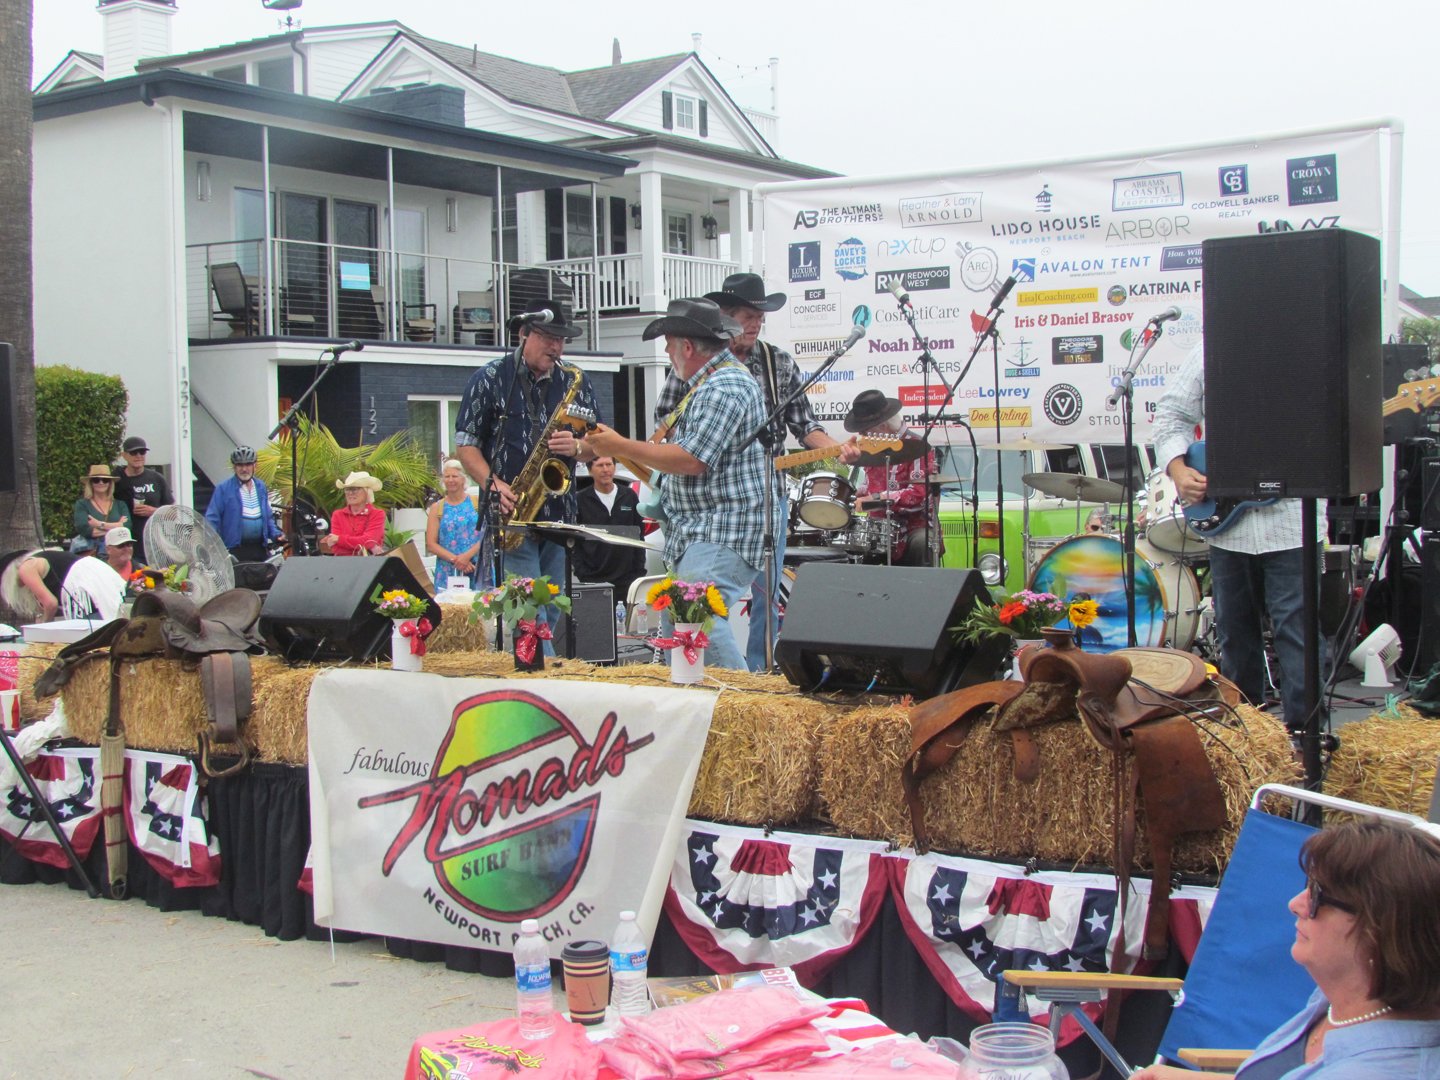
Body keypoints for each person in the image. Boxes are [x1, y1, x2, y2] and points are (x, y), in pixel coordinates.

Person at [1131, 819, 1440, 1078]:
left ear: (1378, 929)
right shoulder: (1339, 1002)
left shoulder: (1390, 1069)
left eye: (1318, 895)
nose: (1295, 905)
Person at [655, 273, 848, 671]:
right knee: (696, 601)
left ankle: (760, 677)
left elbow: (805, 426)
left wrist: (838, 450)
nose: (756, 323)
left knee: (766, 595)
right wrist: (712, 432)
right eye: (748, 315)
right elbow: (666, 424)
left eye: (760, 316)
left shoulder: (778, 363)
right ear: (725, 318)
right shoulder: (698, 367)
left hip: (764, 495)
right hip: (706, 499)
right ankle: (716, 679)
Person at [583, 298, 770, 672]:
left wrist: (618, 445)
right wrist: (603, 447)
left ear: (687, 346)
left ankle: (741, 706)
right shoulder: (706, 385)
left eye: (668, 344)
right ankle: (700, 705)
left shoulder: (726, 386)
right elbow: (678, 458)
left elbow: (691, 459)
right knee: (678, 618)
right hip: (704, 529)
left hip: (724, 529)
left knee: (695, 616)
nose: (666, 353)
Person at [1153, 341, 1320, 731]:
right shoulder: (1210, 349)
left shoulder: (1309, 346)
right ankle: (1246, 734)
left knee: (1298, 635)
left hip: (1293, 522)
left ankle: (1307, 739)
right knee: (1234, 634)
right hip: (1230, 528)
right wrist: (1178, 469)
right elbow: (1171, 415)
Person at [453, 299, 600, 650]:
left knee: (548, 610)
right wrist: (493, 482)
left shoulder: (574, 381)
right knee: (527, 610)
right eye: (549, 337)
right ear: (523, 334)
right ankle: (543, 679)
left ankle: (536, 671)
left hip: (558, 514)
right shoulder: (489, 378)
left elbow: (600, 442)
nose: (557, 347)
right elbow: (466, 445)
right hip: (511, 512)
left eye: (562, 340)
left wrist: (579, 448)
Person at [845, 389, 939, 566]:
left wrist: (876, 498)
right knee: (849, 545)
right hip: (879, 526)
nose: (862, 436)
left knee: (922, 542)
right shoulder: (873, 448)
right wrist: (850, 495)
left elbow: (918, 495)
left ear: (883, 427)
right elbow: (869, 485)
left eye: (865, 431)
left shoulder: (918, 447)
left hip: (914, 527)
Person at [574, 456, 646, 603]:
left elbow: (639, 535)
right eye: (600, 465)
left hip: (627, 578)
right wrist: (582, 571)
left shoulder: (629, 496)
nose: (605, 469)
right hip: (594, 579)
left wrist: (638, 571)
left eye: (609, 464)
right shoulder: (580, 500)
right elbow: (575, 540)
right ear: (590, 470)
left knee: (626, 625)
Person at [0, 548, 127, 623]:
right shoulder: (37, 560)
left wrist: (44, 628)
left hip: (83, 583)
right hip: (96, 575)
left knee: (92, 630)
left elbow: (51, 604)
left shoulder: (25, 568)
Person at [204, 445, 281, 563]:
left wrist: (276, 534)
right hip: (235, 551)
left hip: (259, 549)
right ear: (234, 467)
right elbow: (212, 518)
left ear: (255, 465)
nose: (244, 469)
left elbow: (267, 517)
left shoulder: (261, 487)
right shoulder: (223, 489)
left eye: (248, 464)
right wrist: (210, 542)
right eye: (240, 465)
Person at [426, 459, 487, 590]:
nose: (450, 480)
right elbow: (431, 544)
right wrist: (458, 561)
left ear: (464, 479)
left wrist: (467, 557)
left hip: (476, 567)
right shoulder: (437, 508)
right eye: (447, 476)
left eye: (455, 476)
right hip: (448, 570)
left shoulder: (477, 504)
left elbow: (487, 535)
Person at [112, 435, 173, 564]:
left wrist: (153, 511)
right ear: (124, 455)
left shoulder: (157, 478)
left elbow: (173, 513)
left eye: (142, 452)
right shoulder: (117, 480)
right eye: (134, 452)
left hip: (155, 544)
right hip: (127, 544)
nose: (138, 456)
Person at [320, 471, 387, 556]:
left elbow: (369, 542)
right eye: (347, 489)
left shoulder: (377, 514)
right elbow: (336, 548)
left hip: (368, 565)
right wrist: (365, 546)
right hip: (342, 564)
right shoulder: (338, 514)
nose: (350, 493)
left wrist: (338, 539)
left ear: (367, 492)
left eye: (355, 489)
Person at [72, 465, 132, 557]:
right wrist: (118, 526)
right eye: (96, 480)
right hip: (91, 555)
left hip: (117, 555)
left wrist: (99, 524)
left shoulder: (120, 505)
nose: (101, 482)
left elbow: (127, 527)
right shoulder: (82, 504)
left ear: (110, 483)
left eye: (105, 480)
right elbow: (85, 530)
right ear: (90, 483)